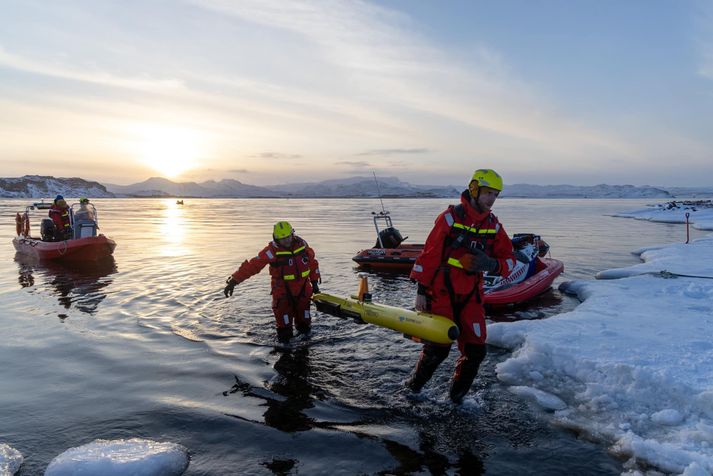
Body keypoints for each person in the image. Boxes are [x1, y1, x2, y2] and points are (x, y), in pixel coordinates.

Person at [406, 169, 517, 403]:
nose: (491, 199)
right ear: (474, 189)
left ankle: (455, 401)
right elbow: (430, 255)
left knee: (476, 352)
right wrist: (421, 291)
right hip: (441, 292)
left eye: (495, 195)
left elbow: (509, 260)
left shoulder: (494, 226)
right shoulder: (449, 218)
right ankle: (411, 389)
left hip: (471, 294)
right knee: (439, 348)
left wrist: (492, 264)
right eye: (487, 193)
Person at [224, 221, 321, 343]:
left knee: (305, 328)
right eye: (282, 238)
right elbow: (253, 265)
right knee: (284, 332)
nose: (286, 240)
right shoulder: (271, 251)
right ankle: (285, 354)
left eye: (288, 237)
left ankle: (304, 353)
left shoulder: (303, 246)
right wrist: (234, 281)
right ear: (275, 238)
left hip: (303, 292)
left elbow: (312, 263)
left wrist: (315, 284)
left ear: (292, 234)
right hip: (282, 294)